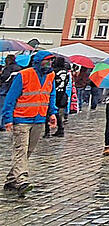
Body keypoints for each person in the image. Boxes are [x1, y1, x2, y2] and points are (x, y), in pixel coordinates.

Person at [2, 52, 57, 196]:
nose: (49, 64)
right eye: (46, 61)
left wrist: (52, 113)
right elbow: (11, 98)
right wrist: (8, 119)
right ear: (39, 61)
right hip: (21, 119)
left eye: (50, 61)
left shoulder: (51, 76)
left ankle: (11, 180)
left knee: (28, 151)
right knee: (20, 149)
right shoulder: (24, 75)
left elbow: (51, 95)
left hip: (39, 118)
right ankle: (22, 181)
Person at [44, 57, 70, 138]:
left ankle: (47, 131)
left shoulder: (53, 72)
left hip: (53, 93)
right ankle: (60, 129)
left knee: (49, 111)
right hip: (62, 93)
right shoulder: (66, 72)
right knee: (56, 112)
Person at [0, 55, 23, 132]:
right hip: (15, 90)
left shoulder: (8, 68)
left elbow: (4, 78)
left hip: (5, 90)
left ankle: (2, 124)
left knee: (3, 108)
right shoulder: (19, 68)